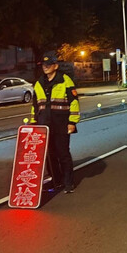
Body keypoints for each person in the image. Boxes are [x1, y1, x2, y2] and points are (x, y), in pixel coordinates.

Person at [30, 52, 80, 194]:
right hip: (44, 125)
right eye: (43, 65)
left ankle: (68, 182)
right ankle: (56, 180)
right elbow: (35, 105)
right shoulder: (39, 83)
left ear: (55, 66)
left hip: (61, 124)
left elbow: (74, 102)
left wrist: (72, 122)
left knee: (63, 154)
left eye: (48, 65)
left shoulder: (65, 80)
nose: (45, 67)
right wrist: (34, 122)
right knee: (50, 155)